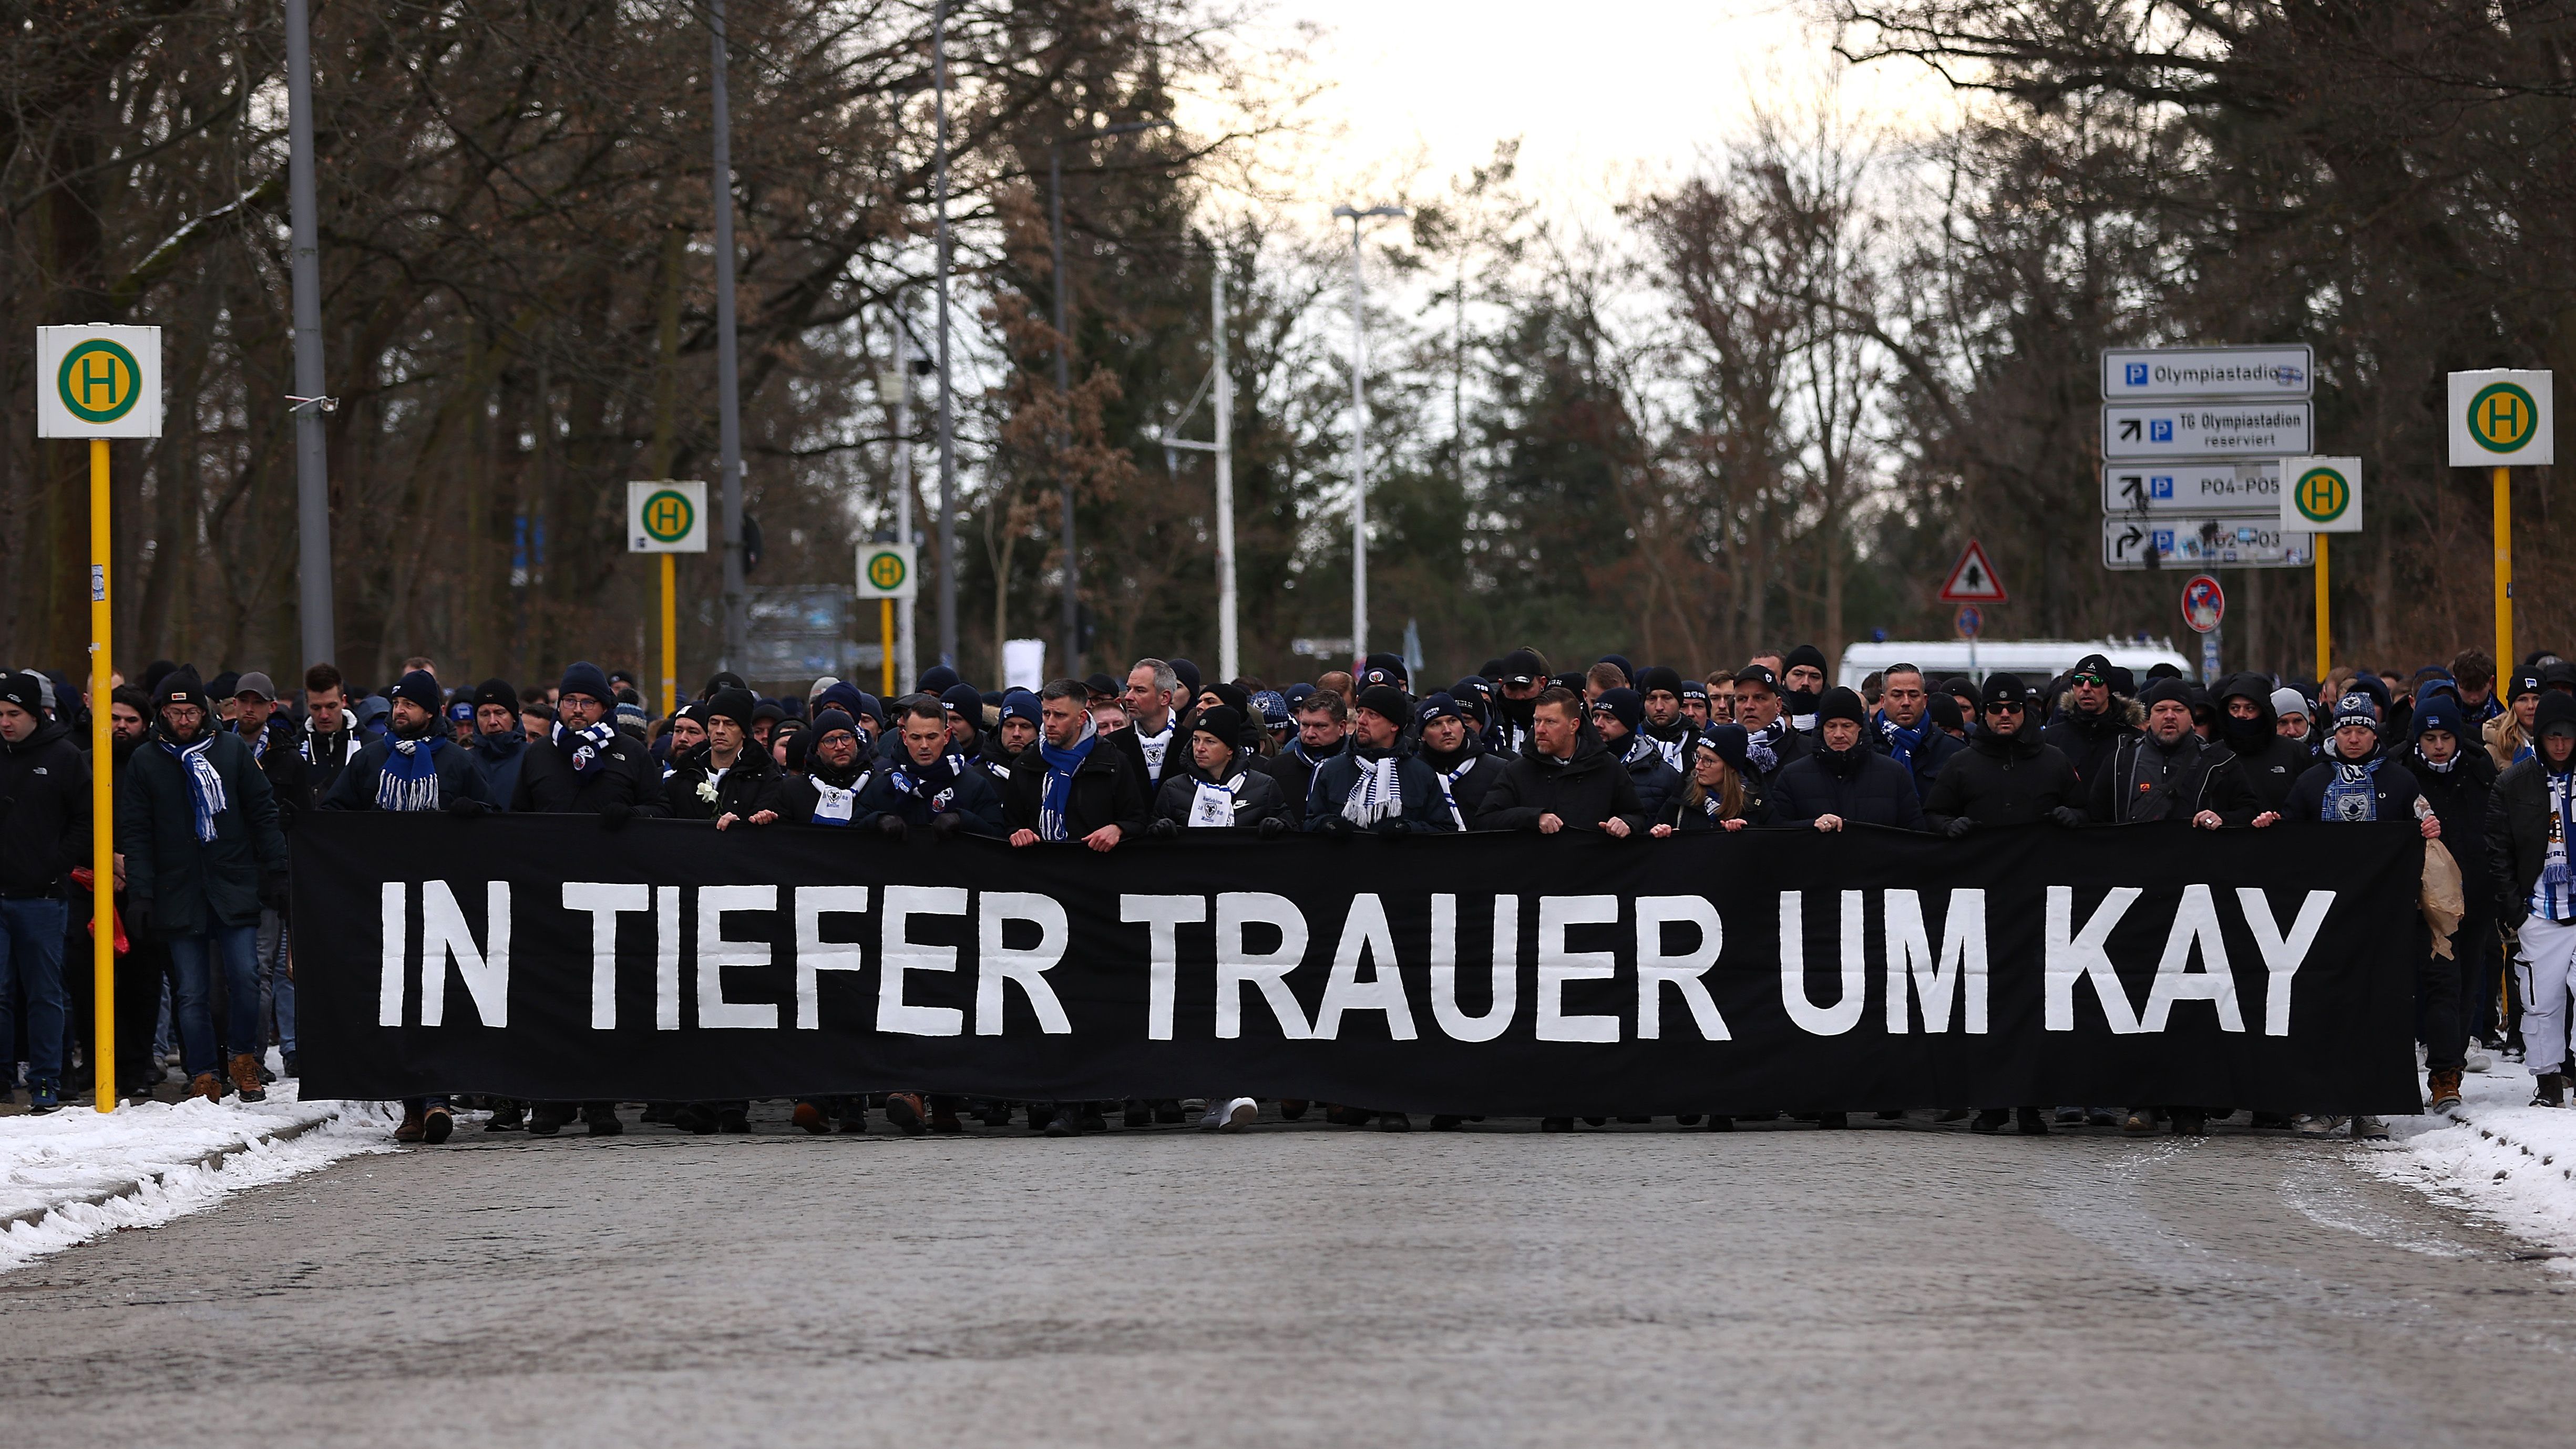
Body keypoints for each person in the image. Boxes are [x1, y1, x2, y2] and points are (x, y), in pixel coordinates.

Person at [315, 670, 490, 1142]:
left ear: (430, 712)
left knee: (439, 998)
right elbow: (335, 813)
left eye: (410, 705)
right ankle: (411, 1107)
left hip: (445, 899)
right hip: (386, 898)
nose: (399, 711)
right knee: (398, 1000)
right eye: (397, 703)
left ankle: (438, 1098)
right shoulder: (372, 759)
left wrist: (473, 815)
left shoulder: (456, 762)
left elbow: (495, 819)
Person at [120, 667, 289, 1107]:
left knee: (247, 976)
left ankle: (243, 1058)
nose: (184, 720)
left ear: (206, 711)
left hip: (231, 881)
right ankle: (203, 1071)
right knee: (191, 990)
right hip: (179, 890)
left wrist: (277, 869)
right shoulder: (147, 760)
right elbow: (136, 832)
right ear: (163, 713)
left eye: (191, 711)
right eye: (175, 712)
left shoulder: (230, 750)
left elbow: (262, 811)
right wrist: (141, 892)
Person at [1922, 673, 2082, 1136]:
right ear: (1985, 714)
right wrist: (1947, 828)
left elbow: (2087, 811)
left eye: (2012, 708)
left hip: (2039, 908)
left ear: (2025, 712)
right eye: (1995, 709)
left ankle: (2031, 1105)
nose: (2004, 715)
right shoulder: (1963, 764)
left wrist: (2074, 817)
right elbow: (1932, 812)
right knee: (1984, 1007)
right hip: (1981, 908)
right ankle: (1991, 1104)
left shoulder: (2053, 761)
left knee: (2036, 1008)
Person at [2283, 694, 2441, 1138]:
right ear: (2333, 733)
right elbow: (2287, 838)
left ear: (2375, 733)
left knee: (2376, 1012)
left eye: (2361, 730)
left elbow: (2426, 821)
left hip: (2383, 919)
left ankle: (2366, 1106)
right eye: (2345, 731)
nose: (2353, 738)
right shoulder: (2311, 781)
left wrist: (2429, 825)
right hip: (2324, 920)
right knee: (2325, 1010)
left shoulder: (2401, 780)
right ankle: (2325, 1102)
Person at [0, 671, 89, 1113]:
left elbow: (84, 818)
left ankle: (45, 1080)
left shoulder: (65, 756)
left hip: (42, 896)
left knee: (43, 991)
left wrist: (57, 864)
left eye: (14, 713)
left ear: (35, 713)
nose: (5, 722)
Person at [2406, 694, 2500, 1099]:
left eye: (2446, 736)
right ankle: (2443, 1072)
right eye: (2430, 737)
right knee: (2439, 982)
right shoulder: (2403, 774)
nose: (2439, 745)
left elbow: (2497, 830)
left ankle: (2452, 1062)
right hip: (2422, 900)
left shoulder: (2480, 770)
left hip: (2474, 895)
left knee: (2466, 984)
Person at [2489, 691, 2576, 1108]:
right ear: (2539, 736)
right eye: (2551, 736)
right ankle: (2547, 1084)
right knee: (2541, 1002)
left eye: (2567, 735)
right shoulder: (2513, 782)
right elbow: (2498, 850)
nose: (2559, 745)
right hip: (2539, 907)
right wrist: (2515, 911)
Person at [2087, 679, 2267, 831]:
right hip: (2137, 866)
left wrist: (2222, 819)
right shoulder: (2122, 760)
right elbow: (2096, 817)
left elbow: (2250, 811)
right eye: (2160, 710)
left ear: (2192, 718)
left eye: (2179, 710)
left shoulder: (2220, 762)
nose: (2170, 716)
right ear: (2149, 717)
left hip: (2198, 868)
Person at [1472, 687, 1647, 840]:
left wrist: (1626, 823)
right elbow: (1485, 821)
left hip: (1594, 873)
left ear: (1574, 725)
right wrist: (1533, 818)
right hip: (1538, 873)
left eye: (1550, 722)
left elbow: (1638, 816)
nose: (1540, 729)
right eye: (1537, 720)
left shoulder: (1608, 767)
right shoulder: (1517, 771)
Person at [1004, 679, 1150, 857]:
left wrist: (1118, 829)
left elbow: (1137, 819)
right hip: (1042, 872)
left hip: (1098, 870)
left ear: (1081, 718)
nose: (1050, 723)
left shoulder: (1113, 761)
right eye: (1046, 713)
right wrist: (1018, 832)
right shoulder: (1026, 763)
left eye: (1060, 715)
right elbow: (1010, 822)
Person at [512, 662, 666, 823]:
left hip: (612, 846)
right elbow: (519, 814)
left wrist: (632, 814)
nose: (578, 709)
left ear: (605, 708)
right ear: (560, 704)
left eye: (588, 702)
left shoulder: (632, 751)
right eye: (570, 701)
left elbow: (661, 808)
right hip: (552, 846)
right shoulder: (538, 751)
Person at [1769, 687, 1926, 834]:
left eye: (1847, 726)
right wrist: (1812, 826)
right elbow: (1776, 831)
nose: (1838, 734)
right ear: (1822, 728)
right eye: (1831, 726)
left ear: (1860, 727)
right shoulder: (1793, 776)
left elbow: (1914, 834)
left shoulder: (1894, 774)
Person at [1305, 686, 1454, 837]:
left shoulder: (1421, 775)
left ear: (1394, 725)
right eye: (1360, 712)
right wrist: (1327, 824)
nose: (1361, 720)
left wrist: (1409, 829)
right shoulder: (1331, 770)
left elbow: (1445, 831)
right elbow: (1309, 824)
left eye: (1373, 715)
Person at [857, 697, 1008, 838]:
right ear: (904, 737)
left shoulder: (974, 785)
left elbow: (998, 837)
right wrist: (877, 821)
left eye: (932, 737)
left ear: (946, 736)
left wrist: (963, 821)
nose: (924, 746)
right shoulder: (884, 785)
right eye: (916, 738)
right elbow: (851, 838)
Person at [1150, 706, 1291, 833]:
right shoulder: (1173, 788)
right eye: (1196, 740)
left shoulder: (1264, 787)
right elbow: (1151, 841)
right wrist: (1160, 829)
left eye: (1210, 741)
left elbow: (1291, 836)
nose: (1200, 748)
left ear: (1230, 749)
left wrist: (1278, 826)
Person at [1870, 662, 1964, 801]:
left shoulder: (1953, 751)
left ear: (1925, 700)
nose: (1906, 702)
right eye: (1897, 695)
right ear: (1883, 701)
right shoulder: (1865, 748)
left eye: (1913, 695)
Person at [1651, 724, 1768, 835]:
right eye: (1698, 756)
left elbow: (1774, 846)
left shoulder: (1757, 800)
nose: (1698, 766)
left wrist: (1749, 832)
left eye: (1709, 761)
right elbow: (1654, 844)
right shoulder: (1683, 794)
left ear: (1731, 767)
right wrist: (1662, 833)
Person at [1414, 693, 1507, 830]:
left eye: (1453, 721)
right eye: (1436, 724)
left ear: (1463, 727)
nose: (1447, 730)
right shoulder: (1413, 774)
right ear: (1423, 735)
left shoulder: (1498, 769)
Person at [2040, 653, 2136, 786]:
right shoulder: (2050, 739)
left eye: (2096, 682)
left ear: (2109, 689)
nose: (2086, 688)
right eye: (2079, 681)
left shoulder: (2132, 740)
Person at [1589, 687, 1682, 820]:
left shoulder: (1665, 777)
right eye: (1596, 716)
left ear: (1629, 724)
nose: (1598, 724)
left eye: (1609, 718)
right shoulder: (1578, 766)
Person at [1267, 689, 1348, 827]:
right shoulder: (1275, 768)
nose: (1310, 734)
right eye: (1305, 725)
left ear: (1341, 727)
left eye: (1320, 726)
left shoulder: (1359, 770)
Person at [780, 709, 870, 827]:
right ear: (817, 750)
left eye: (846, 737)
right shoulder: (792, 790)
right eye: (830, 741)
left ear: (856, 741)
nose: (840, 746)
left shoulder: (877, 785)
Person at [1112, 659, 1190, 792]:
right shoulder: (1112, 745)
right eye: (1128, 689)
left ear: (1165, 698)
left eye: (1140, 691)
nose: (1129, 697)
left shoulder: (1192, 744)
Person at [1730, 665, 1811, 789]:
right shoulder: (1719, 749)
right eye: (1742, 699)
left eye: (1759, 698)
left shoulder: (1806, 751)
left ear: (1778, 705)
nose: (1749, 706)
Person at [461, 679, 529, 809]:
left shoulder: (532, 758)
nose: (493, 721)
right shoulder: (464, 761)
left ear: (514, 716)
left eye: (500, 713)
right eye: (485, 714)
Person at [299, 662, 361, 799]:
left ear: (343, 701)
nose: (324, 715)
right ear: (307, 704)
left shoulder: (370, 746)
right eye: (316, 708)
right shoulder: (293, 749)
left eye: (331, 706)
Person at [1484, 648, 1549, 758]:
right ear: (1502, 685)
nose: (1520, 697)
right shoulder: (1491, 719)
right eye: (1512, 689)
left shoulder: (1556, 716)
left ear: (1542, 683)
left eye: (1526, 688)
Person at [2488, 669, 2543, 771]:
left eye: (2537, 699)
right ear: (2513, 706)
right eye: (2523, 700)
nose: (2531, 706)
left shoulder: (2562, 743)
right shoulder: (2495, 748)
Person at [1778, 645, 1829, 734]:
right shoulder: (1767, 720)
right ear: (1784, 679)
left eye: (1814, 677)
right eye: (1798, 675)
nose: (1806, 683)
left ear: (1823, 684)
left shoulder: (1833, 726)